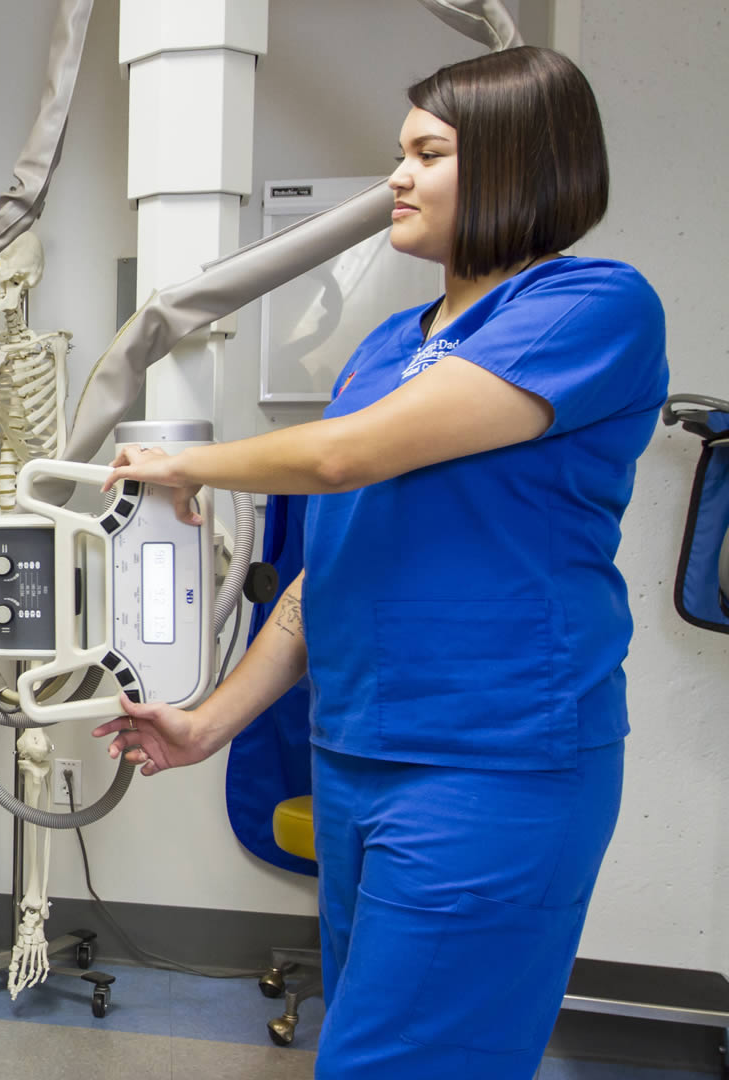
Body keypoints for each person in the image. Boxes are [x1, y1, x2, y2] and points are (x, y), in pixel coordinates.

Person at [92, 47, 666, 1078]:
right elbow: (336, 564)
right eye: (398, 153)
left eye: (427, 153)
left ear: (520, 163)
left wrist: (185, 460)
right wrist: (212, 720)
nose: (395, 177)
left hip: (492, 764)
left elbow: (340, 455)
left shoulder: (591, 308)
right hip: (359, 755)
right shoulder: (389, 345)